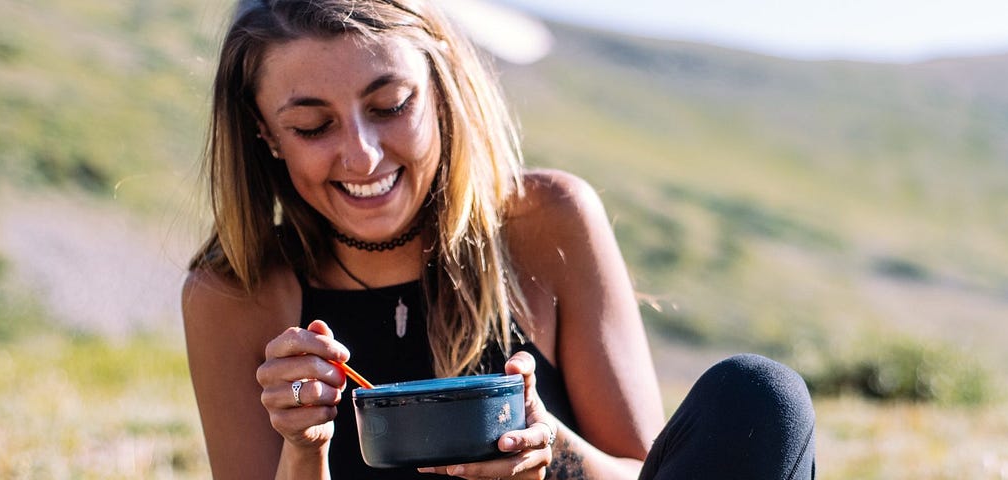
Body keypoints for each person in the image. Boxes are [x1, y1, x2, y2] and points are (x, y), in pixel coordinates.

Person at [180, 1, 817, 478]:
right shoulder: (236, 293)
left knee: (760, 398)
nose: (363, 154)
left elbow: (647, 473)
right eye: (313, 126)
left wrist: (553, 450)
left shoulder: (546, 221)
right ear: (266, 135)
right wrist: (304, 447)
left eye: (390, 105)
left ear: (439, 92)